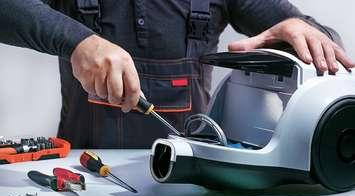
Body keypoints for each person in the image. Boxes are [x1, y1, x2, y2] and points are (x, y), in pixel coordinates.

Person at [1, 0, 354, 148]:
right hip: (83, 172)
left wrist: (301, 30)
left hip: (193, 176)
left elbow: (324, 44)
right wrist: (78, 41)